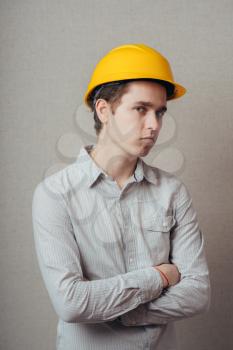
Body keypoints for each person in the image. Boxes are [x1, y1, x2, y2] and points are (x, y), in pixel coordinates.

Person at [32, 43, 211, 350]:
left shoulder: (173, 192)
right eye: (140, 109)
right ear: (104, 110)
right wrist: (159, 276)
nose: (154, 125)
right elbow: (72, 304)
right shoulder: (55, 194)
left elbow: (197, 294)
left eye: (160, 112)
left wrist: (115, 311)